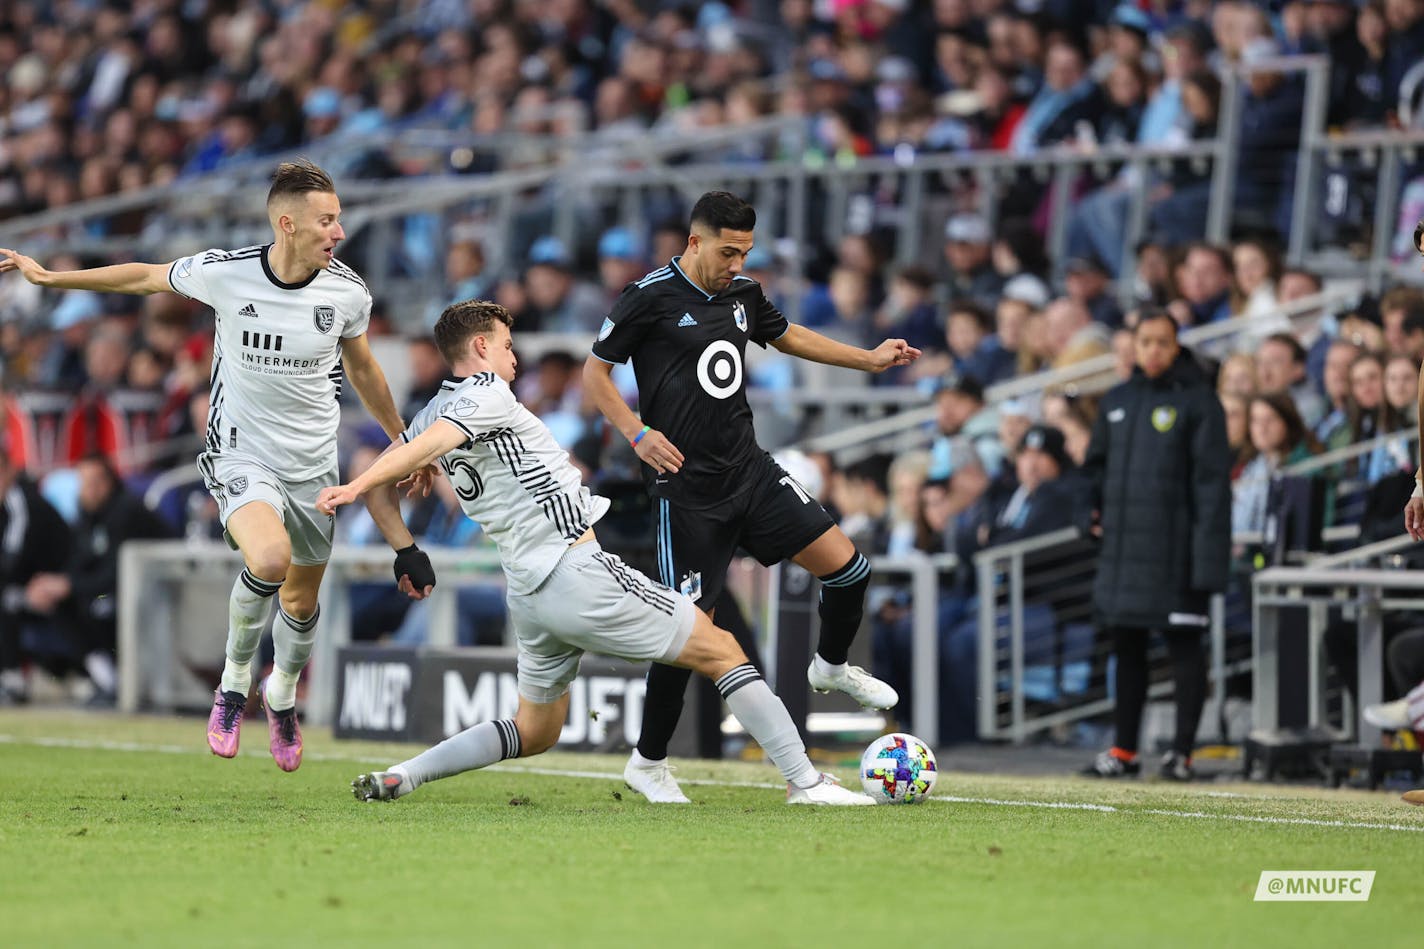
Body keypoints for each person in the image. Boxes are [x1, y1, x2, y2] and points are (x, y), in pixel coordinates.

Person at [318, 300, 872, 806]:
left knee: (536, 731)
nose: (515, 357)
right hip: (572, 568)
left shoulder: (426, 413)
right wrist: (355, 485)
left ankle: (404, 775)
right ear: (481, 348)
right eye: (508, 345)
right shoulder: (483, 394)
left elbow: (395, 477)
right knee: (724, 648)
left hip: (528, 593)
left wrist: (406, 549)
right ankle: (806, 782)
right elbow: (418, 456)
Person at [0, 159, 416, 770]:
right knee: (268, 560)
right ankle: (232, 684)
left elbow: (362, 369)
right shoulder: (228, 273)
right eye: (327, 220)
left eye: (339, 220)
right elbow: (144, 277)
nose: (339, 232)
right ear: (287, 224)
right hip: (241, 452)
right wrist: (52, 278)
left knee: (301, 604)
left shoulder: (347, 292)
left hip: (312, 466)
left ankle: (279, 695)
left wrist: (402, 439)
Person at [582, 191, 920, 803]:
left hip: (750, 473)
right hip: (684, 492)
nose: (736, 263)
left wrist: (867, 361)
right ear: (694, 241)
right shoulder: (648, 296)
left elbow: (789, 337)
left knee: (848, 569)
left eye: (745, 252)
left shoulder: (744, 295)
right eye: (727, 251)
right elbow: (595, 373)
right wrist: (637, 433)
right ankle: (648, 763)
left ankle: (831, 667)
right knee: (687, 634)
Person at [1081, 309, 1231, 781]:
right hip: (1123, 555)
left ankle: (1181, 755)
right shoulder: (1117, 400)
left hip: (1176, 556)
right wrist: (1086, 515)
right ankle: (1124, 751)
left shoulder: (1199, 402)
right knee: (1127, 648)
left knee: (1185, 650)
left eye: (1162, 342)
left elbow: (1212, 488)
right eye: (1145, 342)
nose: (1153, 351)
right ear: (1134, 345)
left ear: (1176, 345)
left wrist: (1208, 564)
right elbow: (1094, 471)